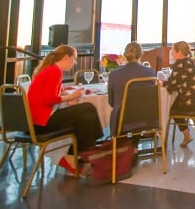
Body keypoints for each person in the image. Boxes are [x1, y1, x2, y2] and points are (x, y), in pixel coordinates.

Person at [27, 45, 103, 176]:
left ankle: (80, 152)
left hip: (33, 123)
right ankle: (87, 148)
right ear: (66, 57)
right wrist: (71, 96)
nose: (74, 63)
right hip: (42, 124)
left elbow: (45, 94)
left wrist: (63, 92)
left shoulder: (49, 69)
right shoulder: (55, 71)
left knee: (85, 118)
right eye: (74, 59)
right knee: (88, 109)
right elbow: (49, 99)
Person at [164, 41, 195, 148]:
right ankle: (187, 135)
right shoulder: (193, 62)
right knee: (176, 103)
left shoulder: (180, 63)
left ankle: (186, 135)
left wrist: (162, 82)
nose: (172, 54)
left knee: (171, 109)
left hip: (192, 104)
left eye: (173, 52)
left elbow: (170, 85)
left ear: (179, 52)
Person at [107, 42, 154, 134]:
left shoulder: (114, 74)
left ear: (125, 55)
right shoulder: (149, 72)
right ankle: (134, 146)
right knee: (139, 110)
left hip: (123, 119)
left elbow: (112, 102)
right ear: (141, 55)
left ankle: (123, 145)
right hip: (147, 117)